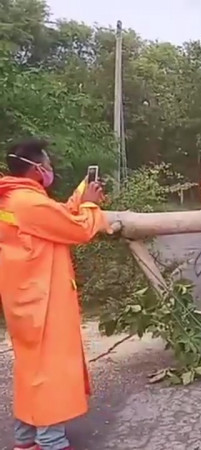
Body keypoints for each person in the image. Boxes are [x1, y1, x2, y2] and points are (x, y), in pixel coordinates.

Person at [0, 139, 108, 450]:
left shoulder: (16, 199)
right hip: (43, 301)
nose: (50, 169)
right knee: (50, 371)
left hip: (24, 299)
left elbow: (56, 217)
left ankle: (25, 438)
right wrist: (90, 204)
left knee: (30, 370)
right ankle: (51, 440)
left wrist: (80, 194)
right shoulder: (28, 203)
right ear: (36, 169)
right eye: (46, 164)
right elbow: (78, 229)